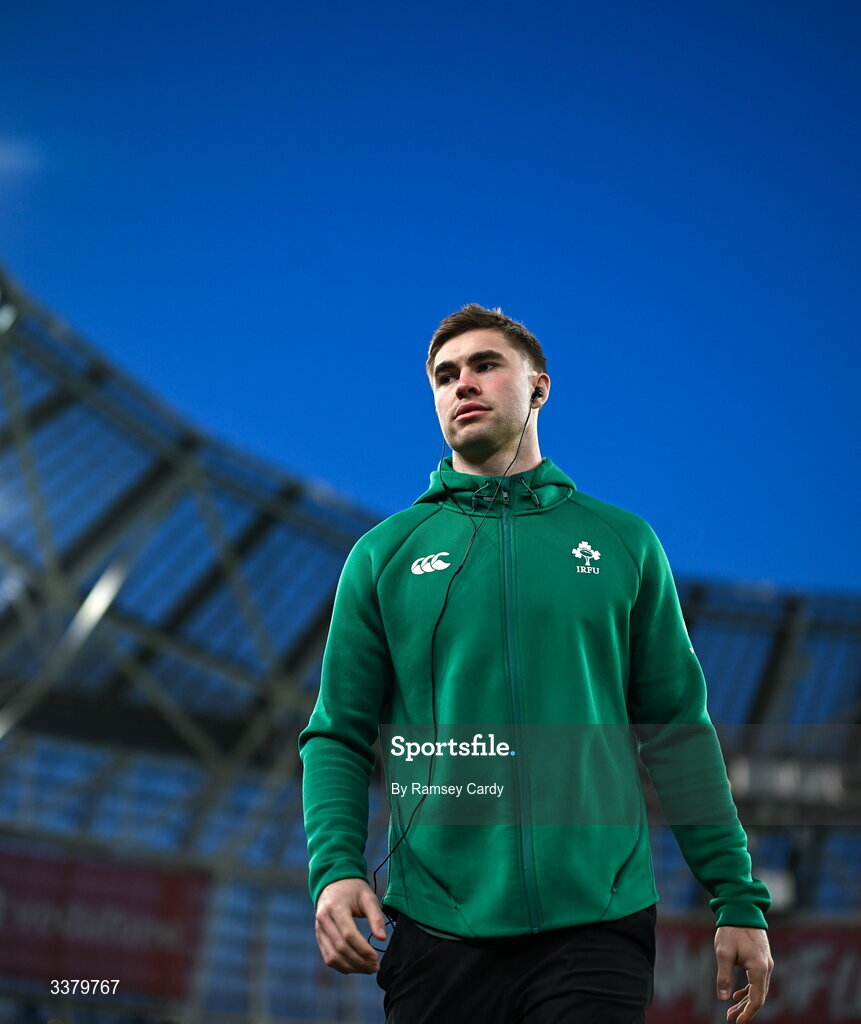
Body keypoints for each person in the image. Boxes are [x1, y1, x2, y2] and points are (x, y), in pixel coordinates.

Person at [299, 304, 773, 1023]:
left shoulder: (623, 543)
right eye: (444, 375)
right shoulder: (383, 555)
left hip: (596, 920)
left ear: (538, 386)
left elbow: (676, 730)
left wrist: (736, 897)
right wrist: (334, 871)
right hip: (434, 925)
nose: (462, 384)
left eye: (485, 365)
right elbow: (336, 733)